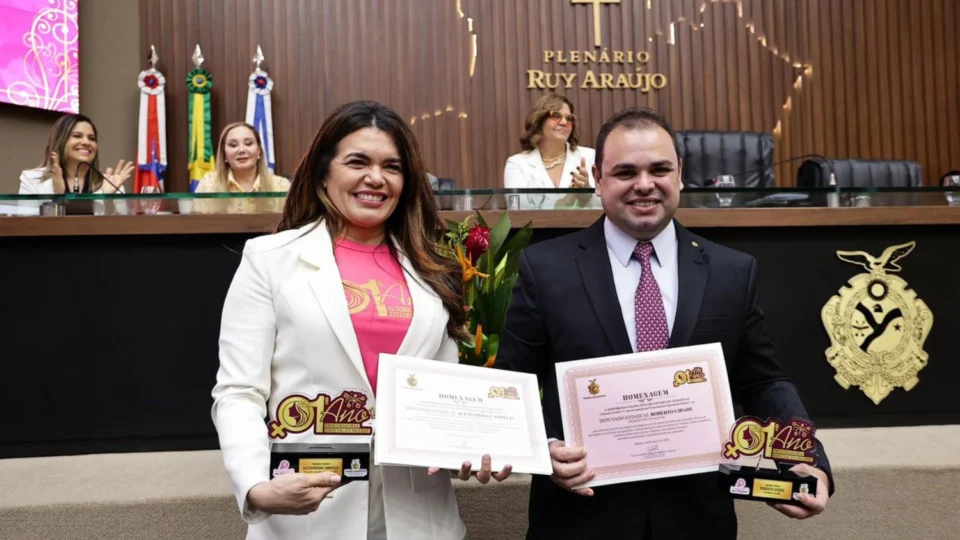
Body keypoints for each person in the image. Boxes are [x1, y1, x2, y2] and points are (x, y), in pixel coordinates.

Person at [494, 107, 833, 539]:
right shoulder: (546, 269)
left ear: (680, 174)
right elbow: (511, 387)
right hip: (579, 520)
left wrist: (803, 457)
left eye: (659, 169)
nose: (644, 184)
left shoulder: (732, 271)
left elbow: (764, 382)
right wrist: (544, 452)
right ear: (598, 178)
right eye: (625, 172)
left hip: (696, 520)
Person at [211, 100, 511, 540]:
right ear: (322, 174)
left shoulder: (434, 268)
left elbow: (445, 393)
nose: (376, 178)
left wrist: (473, 446)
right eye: (357, 162)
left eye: (392, 166)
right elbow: (238, 390)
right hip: (309, 507)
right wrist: (256, 486)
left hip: (418, 512)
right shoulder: (270, 259)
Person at [503, 93, 598, 209]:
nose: (564, 122)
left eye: (569, 118)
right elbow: (517, 211)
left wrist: (586, 196)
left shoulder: (590, 157)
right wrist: (567, 200)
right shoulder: (517, 164)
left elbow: (606, 206)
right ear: (540, 121)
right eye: (556, 115)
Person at [19, 113, 132, 195]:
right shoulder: (32, 179)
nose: (86, 142)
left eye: (91, 138)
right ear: (61, 141)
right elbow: (28, 226)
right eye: (77, 136)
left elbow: (123, 226)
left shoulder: (110, 182)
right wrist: (58, 196)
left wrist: (104, 196)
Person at [193, 122, 290, 214]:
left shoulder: (281, 186)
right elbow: (197, 225)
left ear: (259, 151)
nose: (241, 150)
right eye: (233, 145)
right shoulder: (208, 185)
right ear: (224, 154)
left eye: (248, 143)